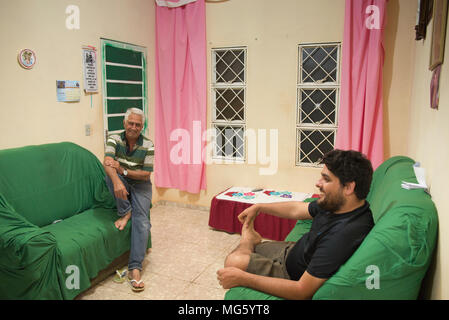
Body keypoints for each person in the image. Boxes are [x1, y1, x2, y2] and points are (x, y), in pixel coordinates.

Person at [217, 149, 374, 300]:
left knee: (233, 262)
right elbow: (297, 209)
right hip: (294, 250)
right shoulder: (339, 204)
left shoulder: (343, 234)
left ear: (348, 187)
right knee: (240, 258)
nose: (318, 183)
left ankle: (248, 240)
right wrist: (259, 207)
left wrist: (244, 278)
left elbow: (302, 291)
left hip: (290, 274)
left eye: (326, 179)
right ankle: (249, 241)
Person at [103, 107, 154, 292]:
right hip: (122, 180)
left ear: (142, 127)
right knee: (108, 172)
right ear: (124, 124)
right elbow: (107, 162)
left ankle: (135, 269)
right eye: (130, 123)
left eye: (138, 124)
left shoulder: (148, 145)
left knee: (142, 223)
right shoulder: (114, 138)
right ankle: (126, 211)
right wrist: (118, 181)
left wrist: (123, 170)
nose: (133, 127)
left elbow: (145, 175)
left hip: (141, 185)